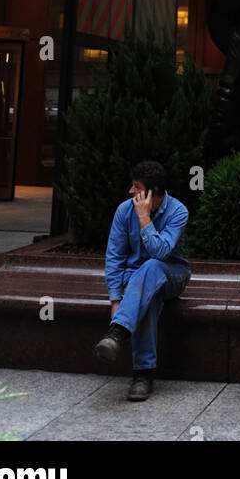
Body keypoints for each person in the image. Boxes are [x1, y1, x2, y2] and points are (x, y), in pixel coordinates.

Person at [95, 160, 191, 401]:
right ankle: (143, 375)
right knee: (148, 299)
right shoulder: (123, 211)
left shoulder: (178, 212)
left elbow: (161, 252)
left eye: (136, 187)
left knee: (152, 265)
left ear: (152, 192)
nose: (131, 192)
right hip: (136, 284)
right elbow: (114, 256)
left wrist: (144, 218)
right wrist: (115, 299)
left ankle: (117, 332)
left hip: (172, 275)